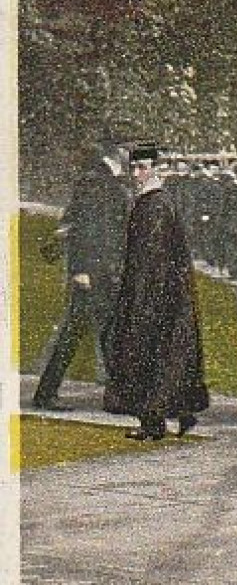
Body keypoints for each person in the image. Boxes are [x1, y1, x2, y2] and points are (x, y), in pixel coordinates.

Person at [102, 144, 209, 441]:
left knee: (149, 353)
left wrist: (140, 295)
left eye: (143, 168)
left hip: (155, 292)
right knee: (165, 355)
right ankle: (180, 414)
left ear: (156, 169)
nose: (137, 174)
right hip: (163, 291)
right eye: (134, 168)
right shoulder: (150, 201)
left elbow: (151, 257)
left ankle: (153, 423)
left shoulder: (156, 204)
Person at [33, 142, 130, 411]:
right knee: (80, 332)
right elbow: (83, 227)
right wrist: (80, 270)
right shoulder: (96, 181)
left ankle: (119, 394)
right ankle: (47, 394)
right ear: (119, 150)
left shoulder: (106, 180)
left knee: (102, 331)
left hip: (103, 270)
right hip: (93, 272)